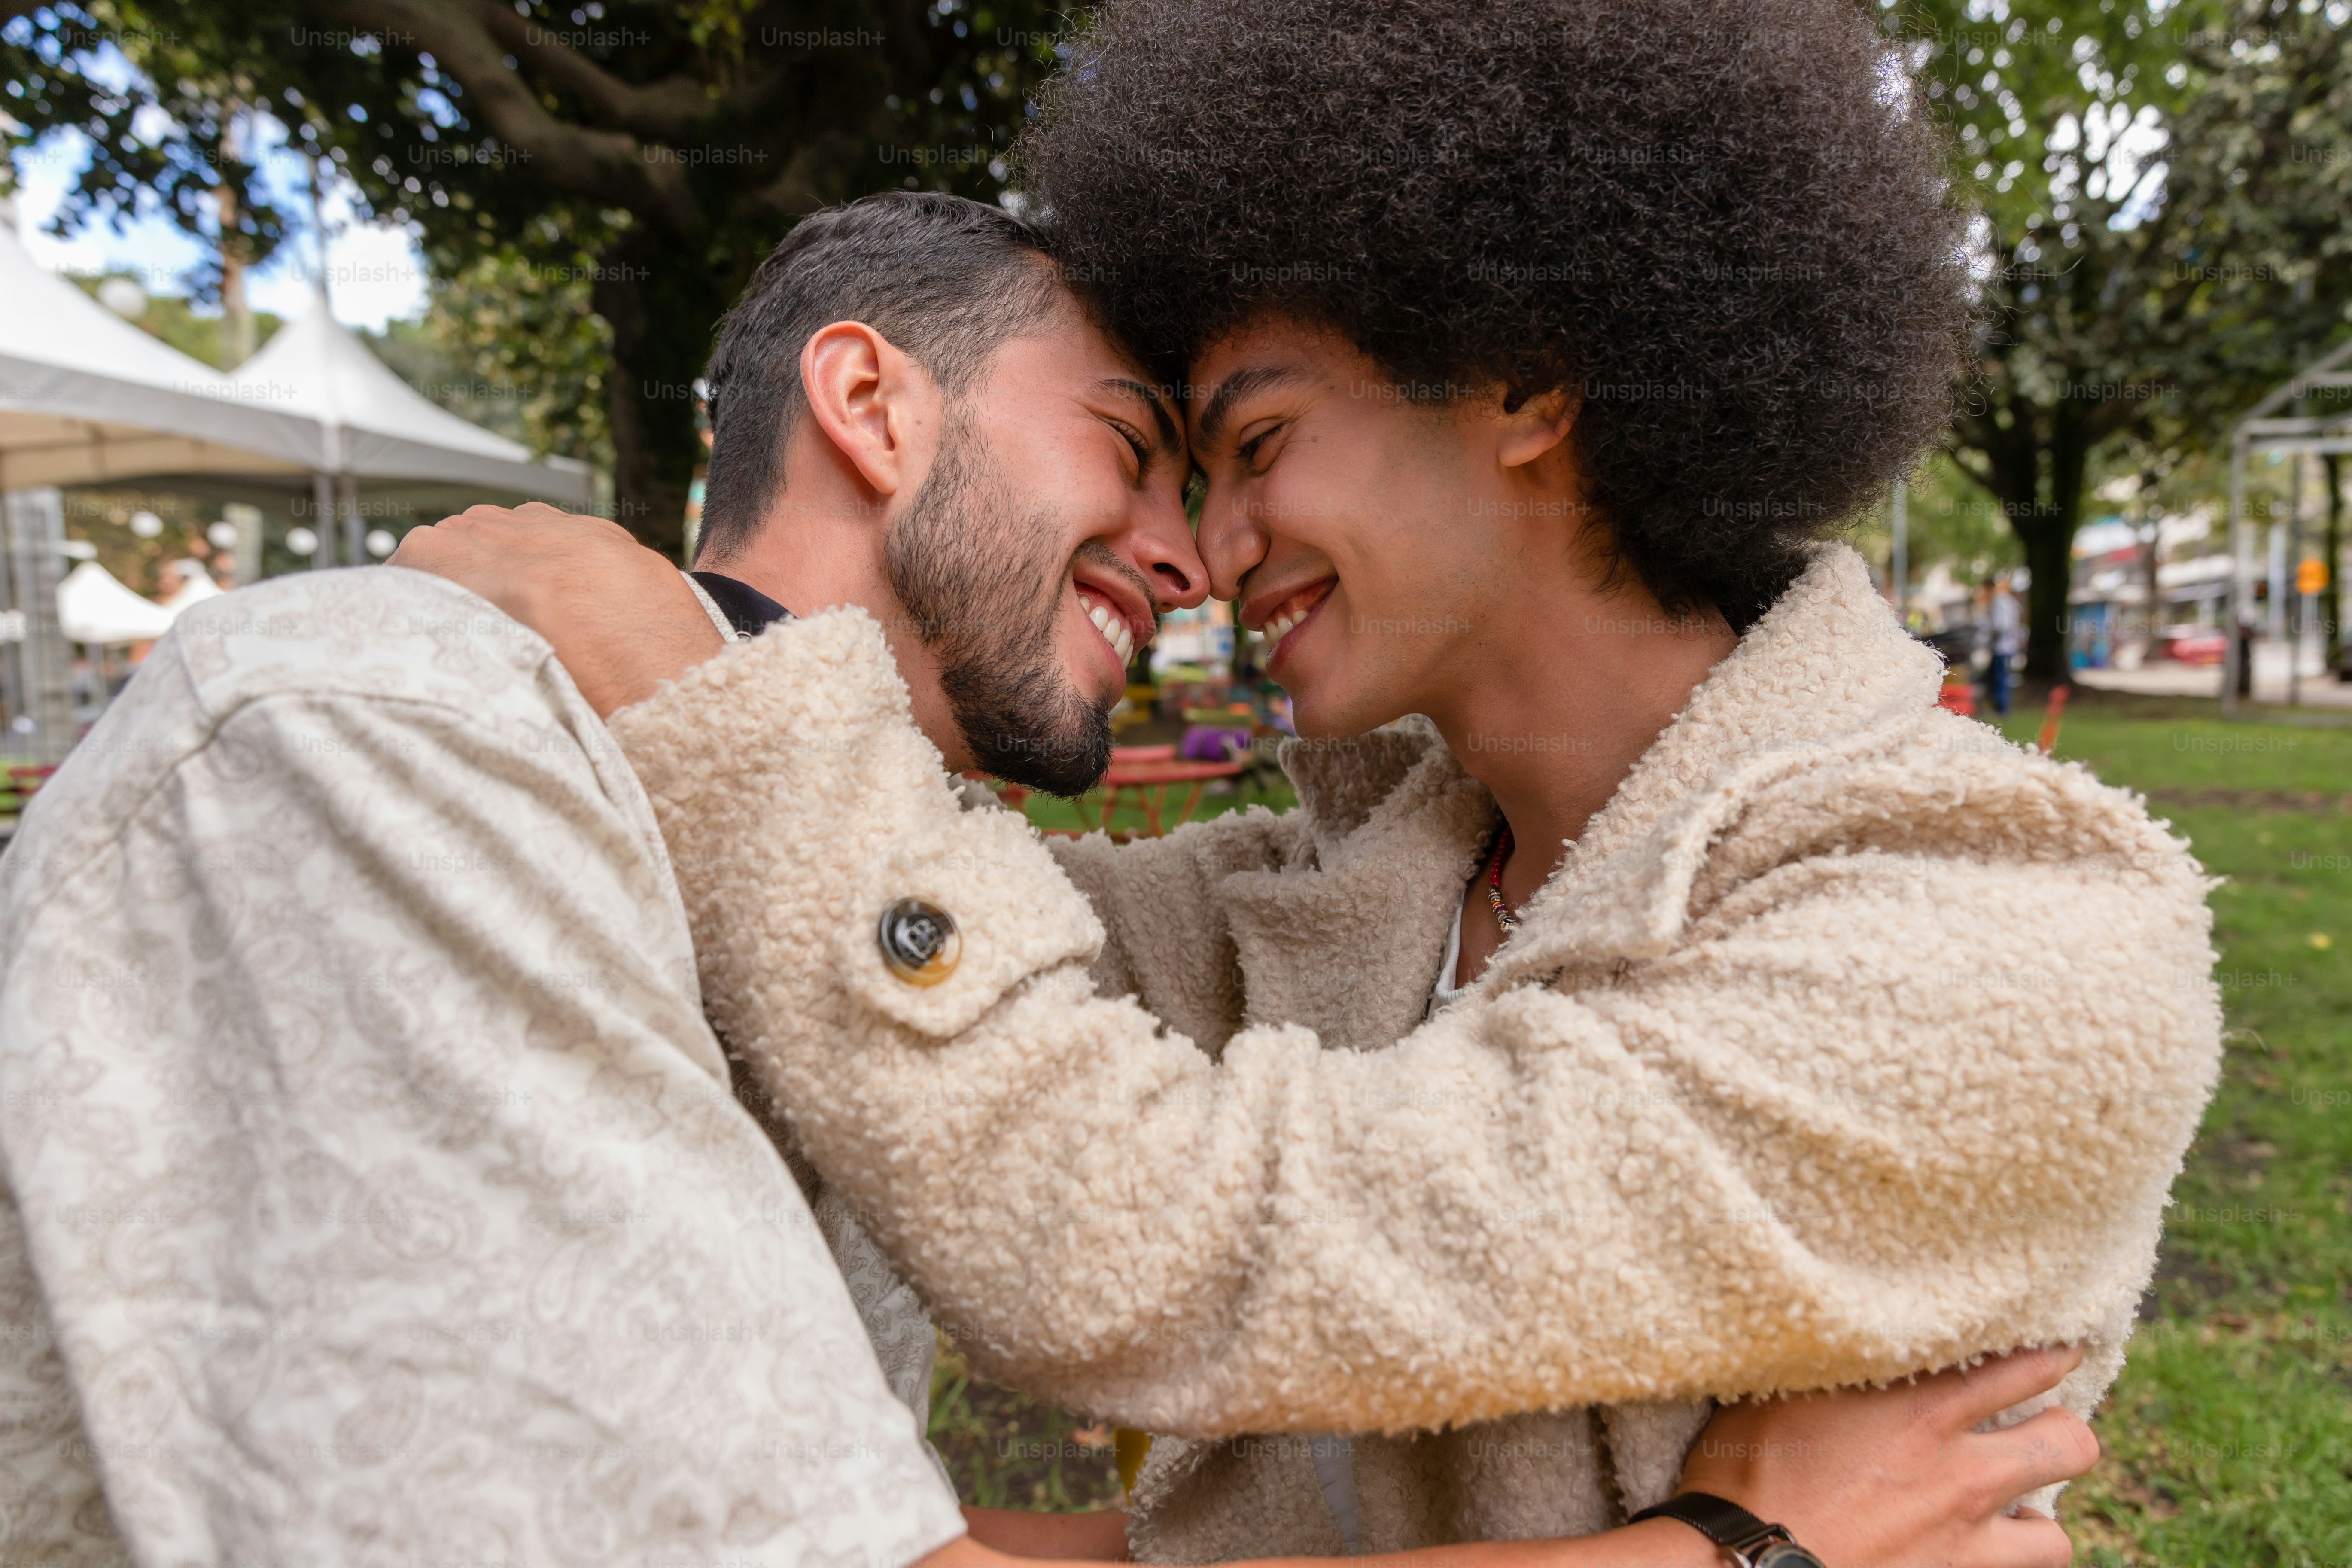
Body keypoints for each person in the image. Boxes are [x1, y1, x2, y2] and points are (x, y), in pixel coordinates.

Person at [0, 192, 2069, 1568]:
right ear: (870, 397)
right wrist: (1720, 1553)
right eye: (1148, 443)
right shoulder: (416, 740)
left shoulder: (873, 856)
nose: (1193, 552)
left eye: (1241, 453)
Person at [406, 0, 2218, 1559]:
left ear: (1518, 377)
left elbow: (1152, 1236)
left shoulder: (2009, 940)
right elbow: (898, 941)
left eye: (1253, 440)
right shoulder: (1368, 893)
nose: (1206, 544)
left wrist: (700, 695)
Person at [1983, 576, 2022, 716]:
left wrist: (1992, 641)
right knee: (1997, 677)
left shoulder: (1999, 601)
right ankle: (1998, 707)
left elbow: (2001, 626)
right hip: (2007, 646)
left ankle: (2002, 709)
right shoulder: (2009, 601)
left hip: (2001, 647)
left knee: (2000, 678)